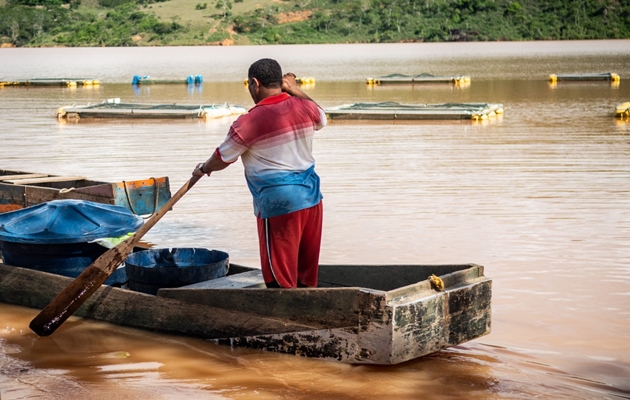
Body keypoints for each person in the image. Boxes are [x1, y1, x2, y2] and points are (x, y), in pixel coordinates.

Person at [192, 58, 327, 288]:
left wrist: (203, 168)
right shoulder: (306, 107)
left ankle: (283, 321)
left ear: (254, 83)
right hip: (312, 200)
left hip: (280, 206)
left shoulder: (249, 122)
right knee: (305, 276)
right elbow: (322, 118)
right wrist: (295, 90)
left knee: (280, 280)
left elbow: (222, 158)